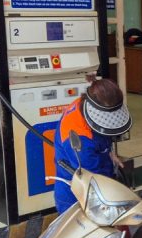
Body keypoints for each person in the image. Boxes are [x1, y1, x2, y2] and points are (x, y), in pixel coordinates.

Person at [53, 77, 129, 213]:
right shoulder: (80, 140)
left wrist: (109, 152)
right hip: (78, 193)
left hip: (98, 174)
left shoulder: (85, 102)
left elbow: (104, 132)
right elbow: (94, 181)